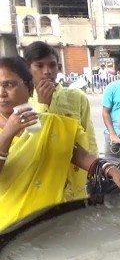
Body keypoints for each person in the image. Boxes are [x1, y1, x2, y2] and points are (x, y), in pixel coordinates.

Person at [0, 57, 120, 232]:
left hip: (51, 222)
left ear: (29, 89)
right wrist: (7, 134)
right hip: (9, 227)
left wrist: (111, 170)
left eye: (8, 85)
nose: (1, 92)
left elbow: (77, 154)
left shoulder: (52, 124)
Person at [24, 41, 98, 200]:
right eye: (39, 66)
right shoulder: (25, 102)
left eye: (52, 65)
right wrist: (44, 106)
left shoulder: (76, 97)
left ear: (58, 67)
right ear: (28, 69)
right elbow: (30, 143)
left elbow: (89, 138)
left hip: (75, 182)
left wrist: (95, 172)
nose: (47, 72)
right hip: (41, 184)